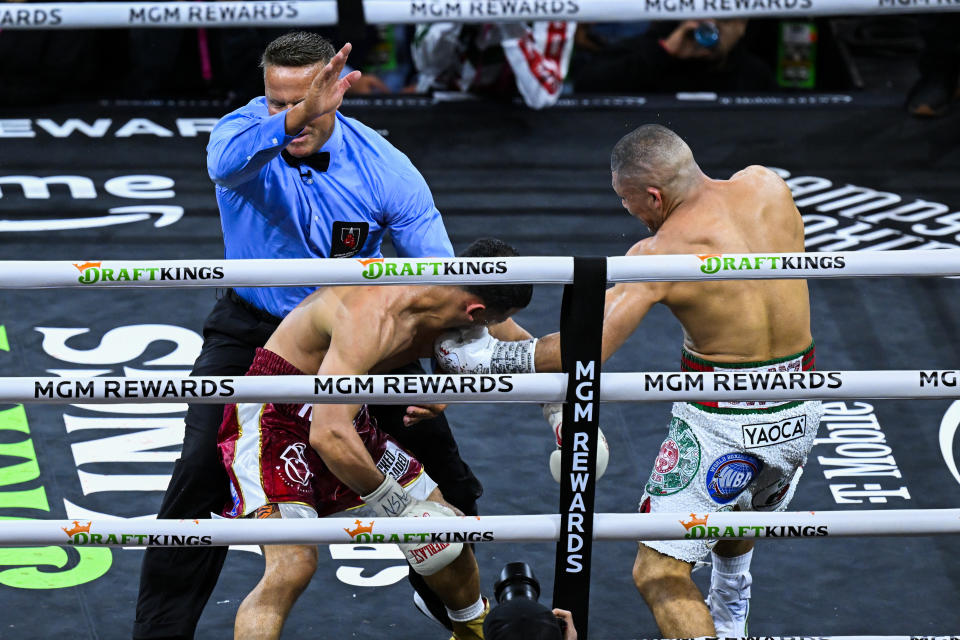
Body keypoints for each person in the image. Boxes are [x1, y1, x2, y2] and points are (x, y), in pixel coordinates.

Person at [134, 31, 482, 639]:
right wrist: (295, 111)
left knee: (446, 474)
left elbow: (440, 279)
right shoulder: (242, 136)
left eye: (308, 101)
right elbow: (223, 164)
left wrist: (443, 363)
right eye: (277, 102)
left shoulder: (383, 167)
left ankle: (462, 616)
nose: (290, 118)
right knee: (196, 477)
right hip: (254, 329)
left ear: (338, 96)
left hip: (359, 333)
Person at [434, 124, 824, 637]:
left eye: (627, 200)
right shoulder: (767, 186)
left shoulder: (660, 255)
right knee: (736, 506)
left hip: (723, 421)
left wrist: (487, 360)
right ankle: (731, 606)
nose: (629, 213)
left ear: (653, 195)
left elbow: (582, 351)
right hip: (802, 404)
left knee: (658, 572)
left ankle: (725, 613)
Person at [218, 237, 533, 639]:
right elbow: (328, 434)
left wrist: (554, 408)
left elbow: (527, 353)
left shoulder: (462, 290)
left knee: (446, 524)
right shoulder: (377, 313)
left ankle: (472, 632)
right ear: (476, 312)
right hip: (278, 417)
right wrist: (396, 506)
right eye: (488, 324)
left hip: (346, 411)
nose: (487, 332)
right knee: (292, 564)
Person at [411, 21, 576, 109]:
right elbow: (427, 66)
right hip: (442, 106)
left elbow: (542, 97)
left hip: (518, 115)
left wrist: (509, 21)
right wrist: (454, 13)